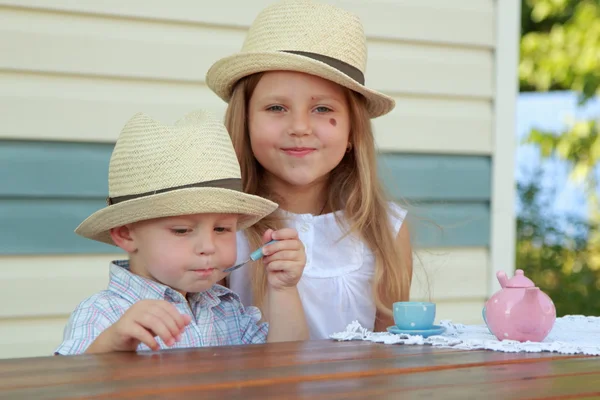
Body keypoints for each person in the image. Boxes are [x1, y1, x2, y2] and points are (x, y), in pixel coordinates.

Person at [205, 0, 413, 339]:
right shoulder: (222, 228)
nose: (300, 126)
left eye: (321, 108)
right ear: (245, 122)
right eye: (276, 107)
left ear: (352, 132)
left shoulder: (385, 231)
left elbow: (389, 358)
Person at [54, 109, 308, 355]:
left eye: (221, 228)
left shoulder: (226, 308)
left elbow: (283, 363)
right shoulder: (103, 313)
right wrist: (111, 345)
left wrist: (283, 289)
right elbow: (73, 386)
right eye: (182, 230)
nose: (208, 246)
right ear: (126, 235)